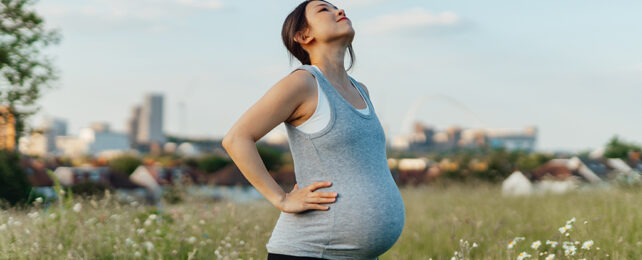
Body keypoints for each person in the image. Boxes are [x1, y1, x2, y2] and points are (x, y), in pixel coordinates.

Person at [222, 1, 405, 259]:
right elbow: (237, 139)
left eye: (338, 8)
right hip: (310, 251)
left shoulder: (361, 90)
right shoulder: (303, 83)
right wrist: (281, 199)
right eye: (324, 10)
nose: (339, 12)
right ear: (303, 36)